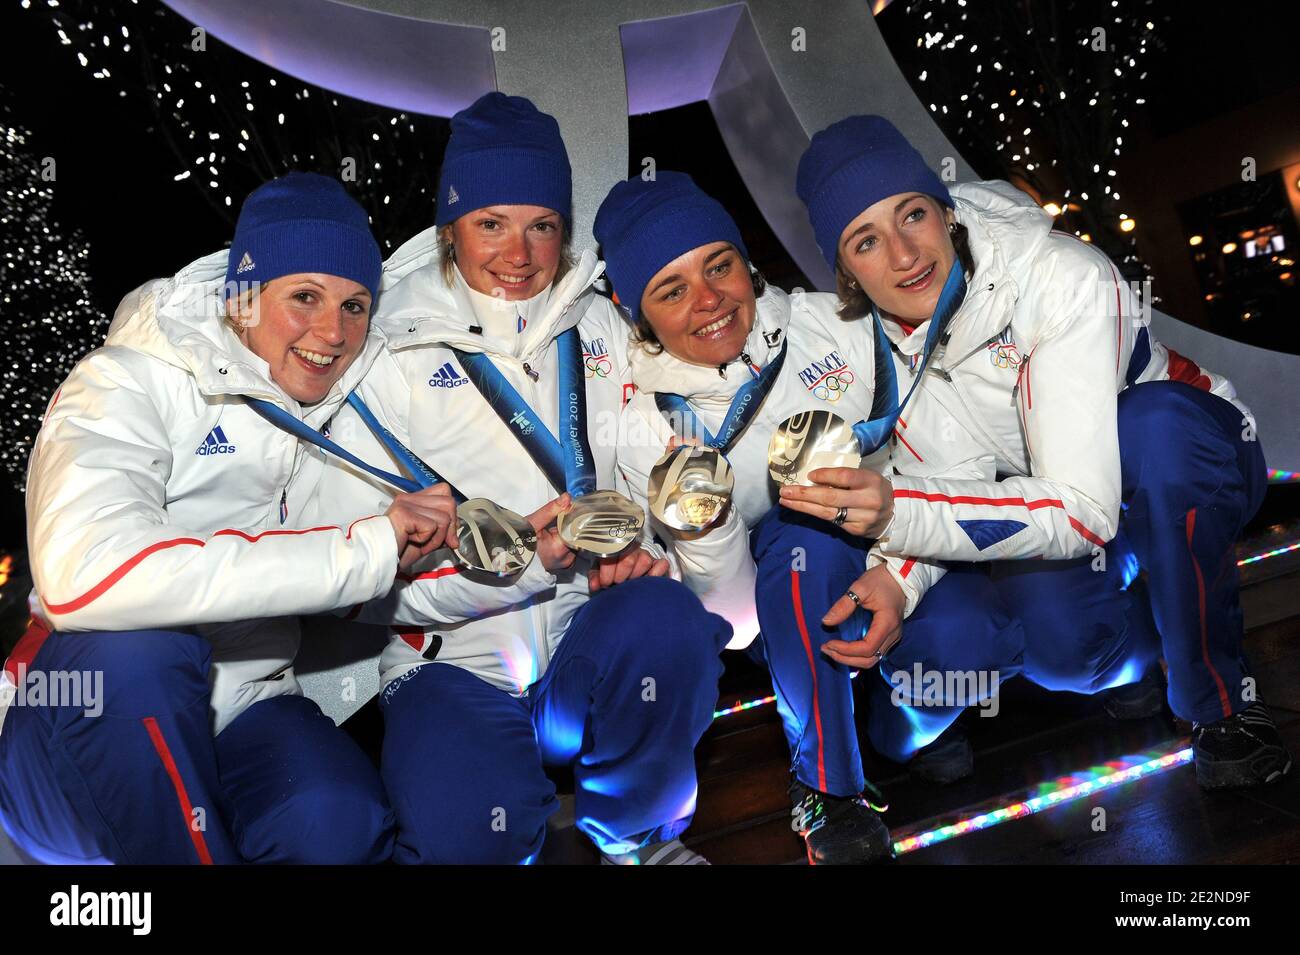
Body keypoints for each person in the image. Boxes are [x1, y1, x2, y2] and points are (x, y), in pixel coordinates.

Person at [786, 115, 1291, 790]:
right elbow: (952, 478)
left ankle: (1220, 706)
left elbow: (1080, 507)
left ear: (945, 212)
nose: (904, 253)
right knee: (1066, 648)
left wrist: (894, 511)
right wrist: (899, 578)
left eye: (912, 214)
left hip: (1178, 466)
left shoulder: (1061, 277)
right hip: (1058, 511)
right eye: (866, 241)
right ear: (846, 272)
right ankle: (1141, 651)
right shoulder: (879, 350)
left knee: (1154, 428)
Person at [317, 93, 733, 865]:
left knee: (668, 620)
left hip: (585, 645)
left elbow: (656, 481)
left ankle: (638, 834)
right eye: (491, 224)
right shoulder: (384, 354)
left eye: (542, 224)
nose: (520, 254)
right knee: (469, 835)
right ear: (450, 229)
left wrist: (649, 555)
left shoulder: (601, 322)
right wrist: (516, 569)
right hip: (450, 665)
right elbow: (366, 587)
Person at [0, 172, 459, 864]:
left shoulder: (334, 413)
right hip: (79, 718)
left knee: (338, 819)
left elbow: (370, 580)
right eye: (304, 296)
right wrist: (363, 550)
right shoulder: (126, 380)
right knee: (142, 653)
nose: (333, 332)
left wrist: (504, 554)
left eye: (356, 304)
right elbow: (83, 579)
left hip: (242, 705)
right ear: (242, 296)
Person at [597, 172, 1021, 864]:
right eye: (671, 291)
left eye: (719, 265)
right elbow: (725, 621)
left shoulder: (836, 324)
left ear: (746, 260)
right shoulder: (638, 419)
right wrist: (709, 524)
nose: (709, 300)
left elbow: (944, 460)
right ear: (636, 312)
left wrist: (898, 574)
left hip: (907, 549)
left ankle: (904, 726)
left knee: (972, 635)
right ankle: (829, 785)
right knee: (802, 535)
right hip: (781, 609)